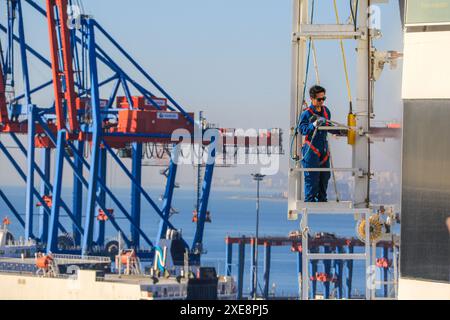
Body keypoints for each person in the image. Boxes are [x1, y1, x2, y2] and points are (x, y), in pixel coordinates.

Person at [299, 85, 332, 202]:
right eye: (319, 99)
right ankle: (310, 200)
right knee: (312, 177)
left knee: (325, 176)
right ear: (312, 99)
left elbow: (329, 126)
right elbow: (302, 129)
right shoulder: (306, 114)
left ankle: (322, 198)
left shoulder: (326, 111)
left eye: (324, 99)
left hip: (323, 147)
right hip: (311, 148)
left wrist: (340, 131)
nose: (322, 101)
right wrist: (313, 125)